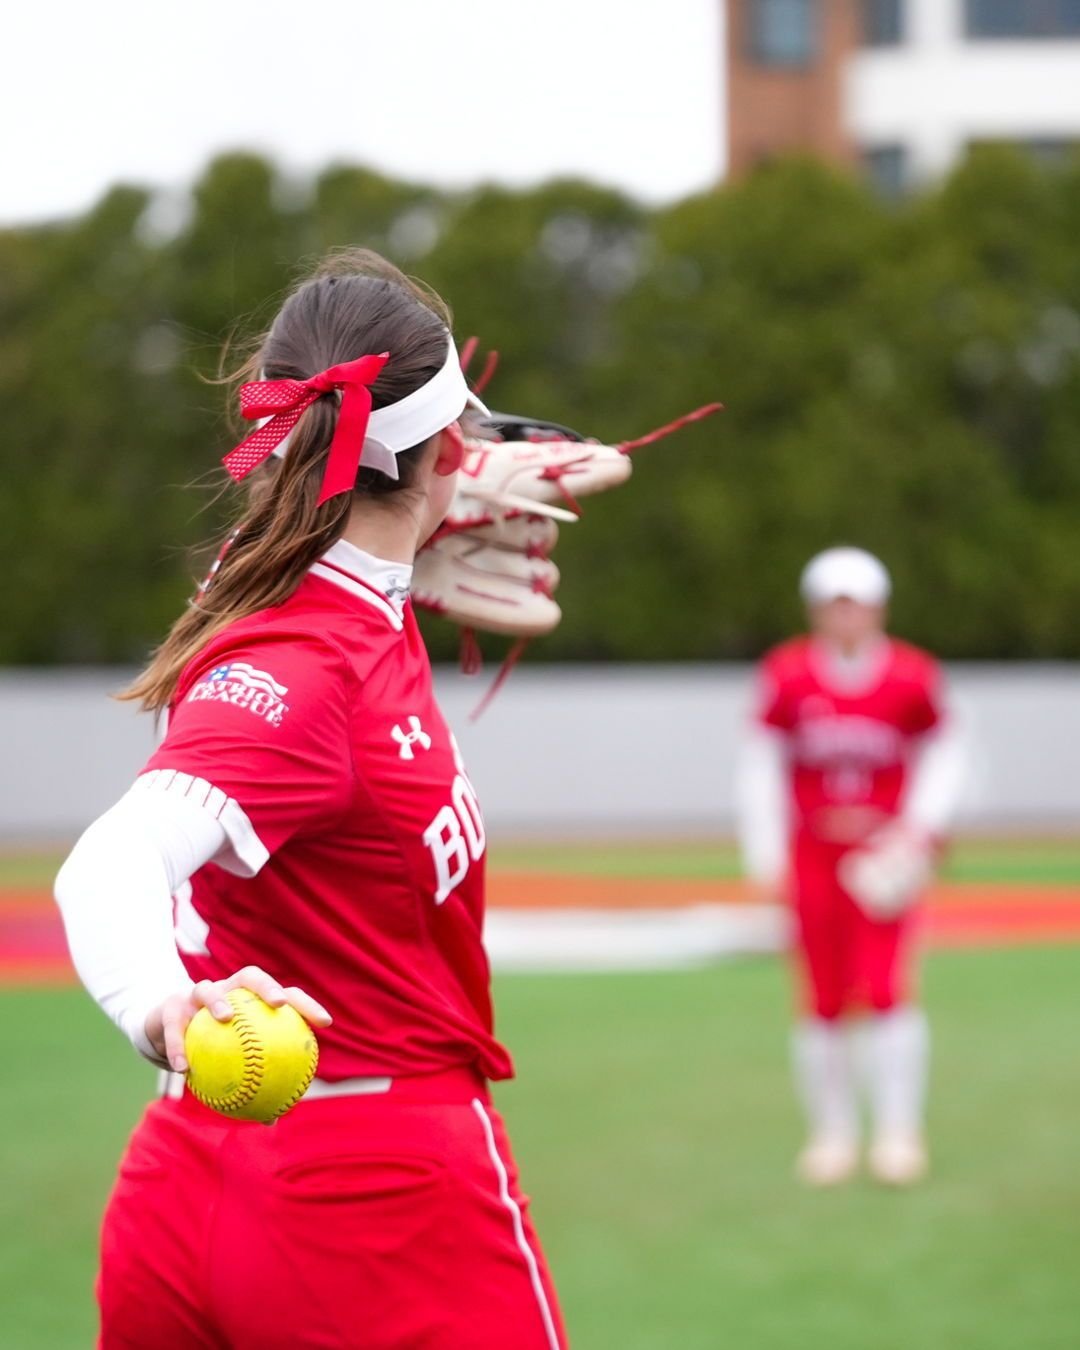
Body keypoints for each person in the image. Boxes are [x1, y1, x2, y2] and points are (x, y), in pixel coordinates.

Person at [54, 250, 567, 1349]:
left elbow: (319, 527)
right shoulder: (310, 668)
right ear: (441, 450)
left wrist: (419, 529)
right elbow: (110, 859)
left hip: (187, 1182)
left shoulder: (270, 580)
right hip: (383, 1206)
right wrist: (158, 1001)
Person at [735, 546, 966, 1187]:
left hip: (882, 857)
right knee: (823, 998)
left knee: (889, 989)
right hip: (815, 855)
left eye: (856, 605)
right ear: (816, 610)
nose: (846, 618)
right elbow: (761, 763)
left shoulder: (912, 677)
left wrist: (920, 831)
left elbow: (946, 751)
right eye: (834, 606)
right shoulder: (787, 676)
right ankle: (831, 1135)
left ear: (877, 608)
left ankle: (898, 1131)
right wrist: (764, 850)